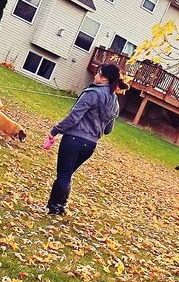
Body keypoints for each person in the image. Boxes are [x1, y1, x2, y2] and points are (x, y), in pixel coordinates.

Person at [46, 63, 123, 215]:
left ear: (105, 78)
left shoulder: (92, 93)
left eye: (98, 73)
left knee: (63, 175)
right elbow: (108, 130)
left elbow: (74, 117)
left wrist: (55, 130)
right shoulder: (114, 101)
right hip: (90, 145)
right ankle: (60, 207)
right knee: (66, 175)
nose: (95, 76)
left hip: (74, 140)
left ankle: (54, 208)